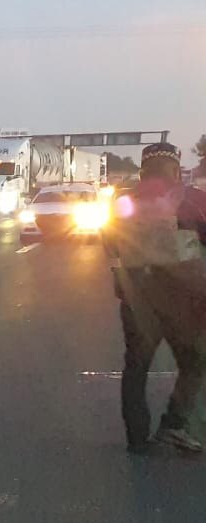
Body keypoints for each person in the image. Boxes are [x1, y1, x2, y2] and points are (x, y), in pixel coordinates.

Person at [106, 141, 206, 454]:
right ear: (176, 169)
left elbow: (111, 246)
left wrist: (121, 282)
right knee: (194, 362)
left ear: (142, 169)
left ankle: (137, 439)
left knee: (136, 368)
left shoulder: (122, 201)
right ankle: (174, 425)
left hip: (137, 300)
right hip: (182, 302)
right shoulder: (193, 200)